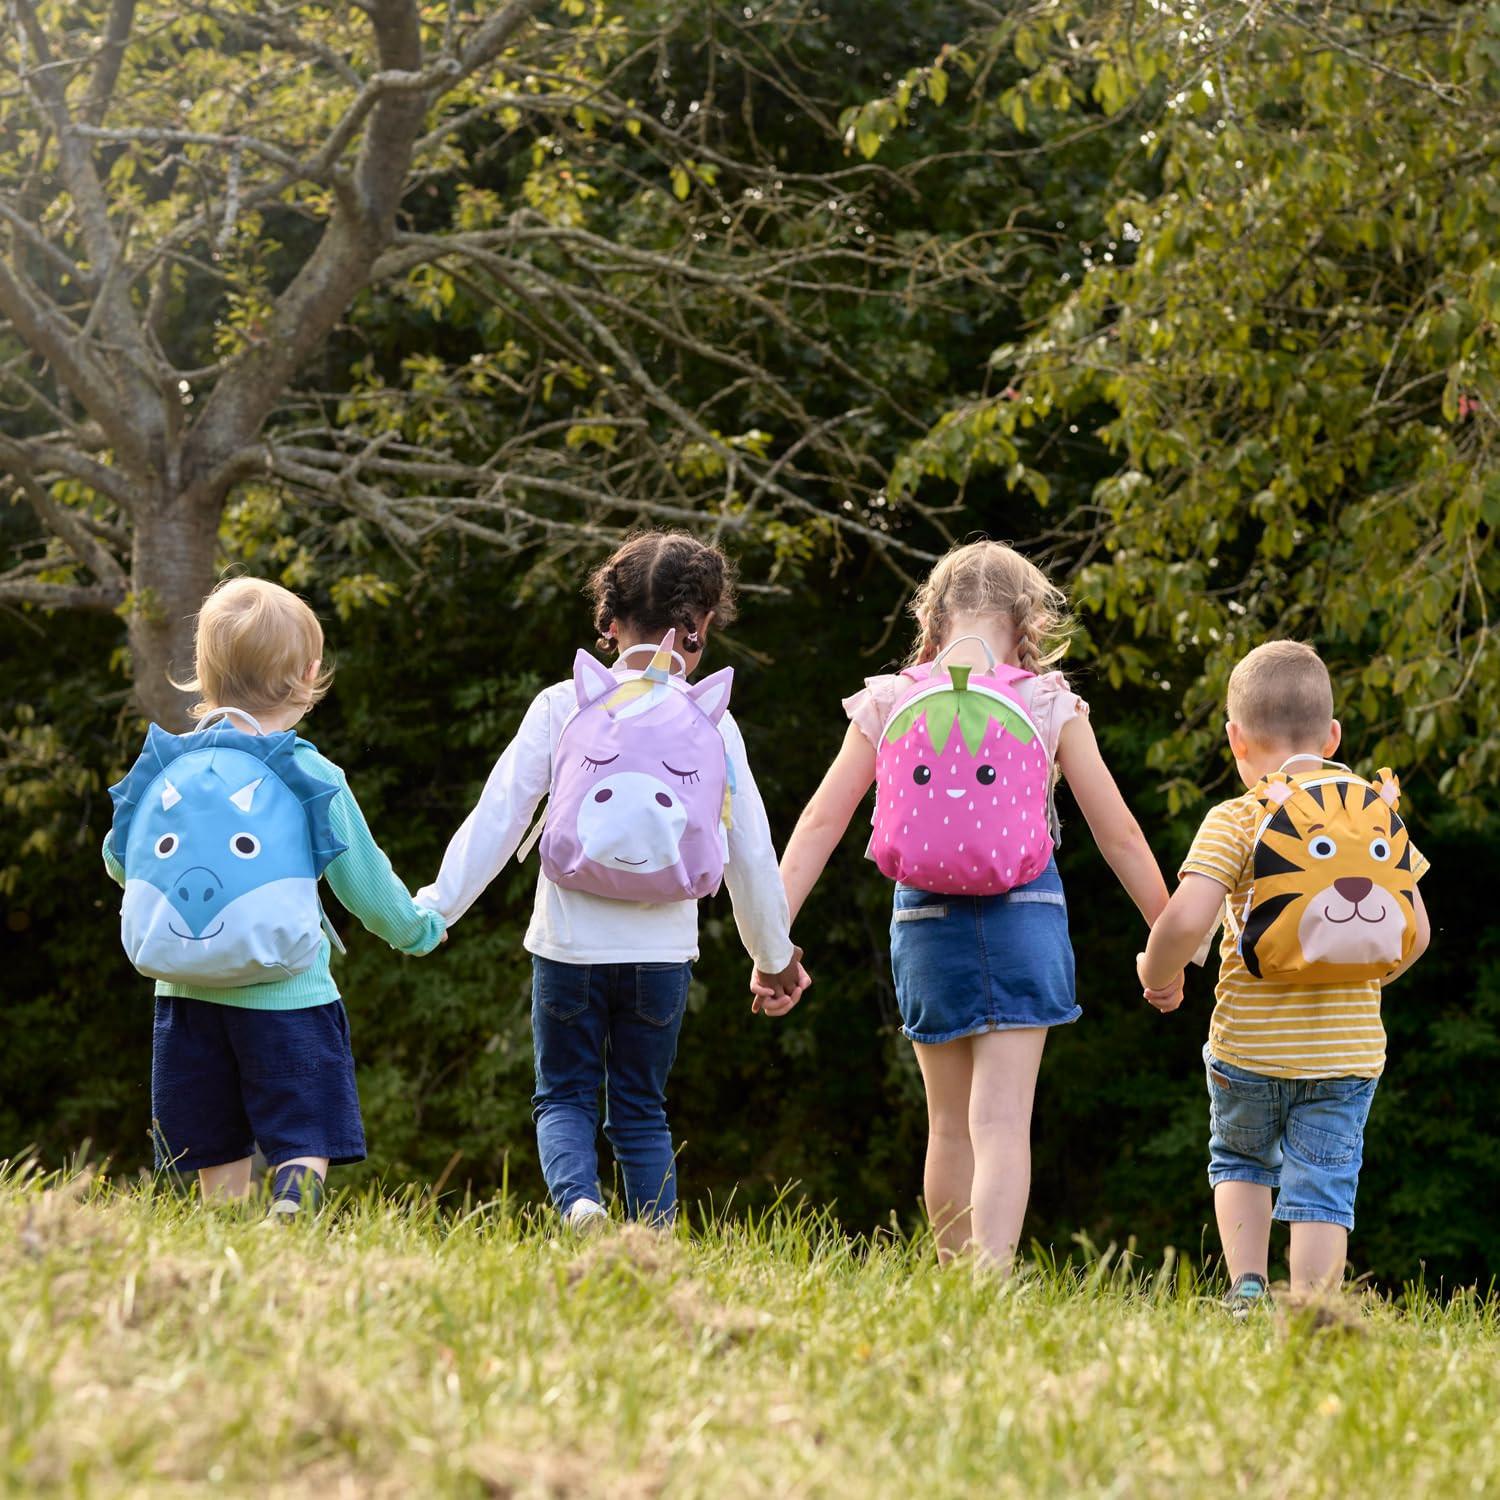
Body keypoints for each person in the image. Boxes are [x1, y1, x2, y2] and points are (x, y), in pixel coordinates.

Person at [764, 539, 1177, 1268]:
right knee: (1001, 1121)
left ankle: (955, 1281)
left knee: (949, 1125)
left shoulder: (890, 698)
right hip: (1026, 915)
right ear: (1029, 624)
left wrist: (769, 940)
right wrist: (1168, 941)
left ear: (935, 618)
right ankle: (992, 1280)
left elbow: (820, 823)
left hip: (923, 918)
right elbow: (1119, 834)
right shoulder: (1049, 702)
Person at [416, 531, 805, 1229]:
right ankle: (651, 1242)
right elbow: (751, 854)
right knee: (640, 1107)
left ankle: (579, 1204)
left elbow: (499, 814)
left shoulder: (564, 704)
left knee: (563, 1096)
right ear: (702, 624)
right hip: (660, 961)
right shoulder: (713, 719)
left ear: (608, 622)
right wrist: (773, 960)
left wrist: (436, 908)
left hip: (567, 947)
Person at [103, 577, 446, 1217]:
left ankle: (224, 1226)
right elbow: (363, 881)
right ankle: (292, 1204)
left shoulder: (165, 770)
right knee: (304, 1121)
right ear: (310, 673)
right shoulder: (309, 773)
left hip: (186, 997)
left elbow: (120, 862)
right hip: (289, 994)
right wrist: (417, 929)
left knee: (210, 1133)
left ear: (203, 675)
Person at [1137, 640, 1431, 1307]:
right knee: (1324, 1183)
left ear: (1235, 740)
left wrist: (1157, 973)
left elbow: (1185, 923)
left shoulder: (1237, 817)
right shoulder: (1374, 814)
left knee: (1241, 1161)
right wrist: (1362, 980)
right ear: (1332, 736)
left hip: (1250, 1047)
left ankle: (1245, 1289)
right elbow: (1418, 931)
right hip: (1347, 1052)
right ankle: (1312, 1310)